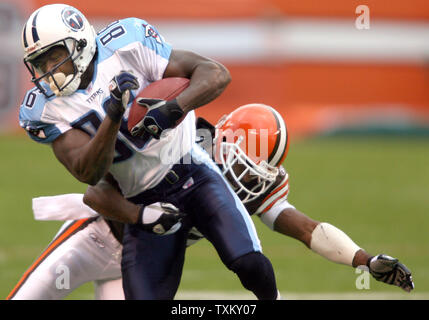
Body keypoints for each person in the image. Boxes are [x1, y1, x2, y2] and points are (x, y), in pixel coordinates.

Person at [8, 104, 414, 300]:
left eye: (260, 172)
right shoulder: (179, 148)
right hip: (97, 236)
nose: (251, 179)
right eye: (250, 165)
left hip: (137, 267)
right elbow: (96, 191)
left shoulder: (244, 186)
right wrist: (140, 214)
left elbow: (307, 229)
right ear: (226, 144)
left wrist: (363, 259)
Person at [18, 3, 279, 300]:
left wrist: (173, 109)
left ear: (79, 44)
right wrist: (114, 115)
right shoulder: (44, 108)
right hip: (142, 199)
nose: (48, 71)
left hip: (193, 172)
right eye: (40, 63)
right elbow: (86, 172)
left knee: (248, 262)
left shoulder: (127, 44)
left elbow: (215, 73)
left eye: (55, 57)